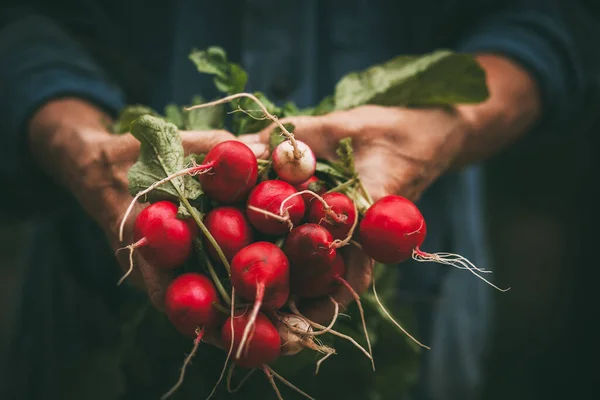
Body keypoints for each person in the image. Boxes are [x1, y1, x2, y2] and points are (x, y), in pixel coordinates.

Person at [0, 1, 594, 399]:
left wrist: (454, 128)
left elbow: (563, 17)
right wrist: (77, 146)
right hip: (93, 279)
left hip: (427, 290)